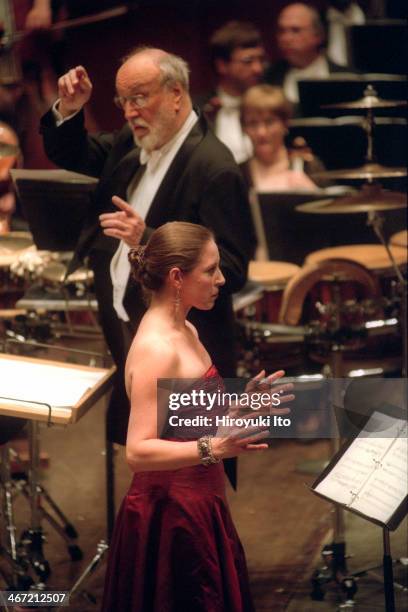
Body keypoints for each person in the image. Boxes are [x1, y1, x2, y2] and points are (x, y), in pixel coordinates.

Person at [40, 47, 255, 462]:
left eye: (139, 97)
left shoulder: (215, 167)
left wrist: (148, 239)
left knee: (183, 466)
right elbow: (75, 154)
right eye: (123, 101)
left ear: (176, 93)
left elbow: (232, 268)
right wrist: (68, 108)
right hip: (129, 329)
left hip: (182, 355)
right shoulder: (133, 140)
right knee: (141, 458)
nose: (128, 112)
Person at [101, 221, 293, 611]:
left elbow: (185, 417)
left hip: (201, 504)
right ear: (176, 276)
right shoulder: (157, 348)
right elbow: (138, 452)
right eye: (210, 270)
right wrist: (216, 446)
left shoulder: (185, 327)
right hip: (172, 518)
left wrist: (239, 406)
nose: (221, 279)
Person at [198, 21, 267, 163]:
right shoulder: (198, 110)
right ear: (222, 65)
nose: (258, 69)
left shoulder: (273, 104)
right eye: (248, 61)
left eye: (261, 60)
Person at [264, 2, 349, 106]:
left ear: (318, 35)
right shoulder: (268, 78)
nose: (286, 38)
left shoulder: (346, 78)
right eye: (281, 31)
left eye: (295, 30)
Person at [239, 85, 319, 192]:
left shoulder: (309, 166)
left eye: (269, 122)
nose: (261, 132)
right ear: (244, 128)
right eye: (253, 123)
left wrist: (311, 191)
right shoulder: (237, 174)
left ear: (285, 124)